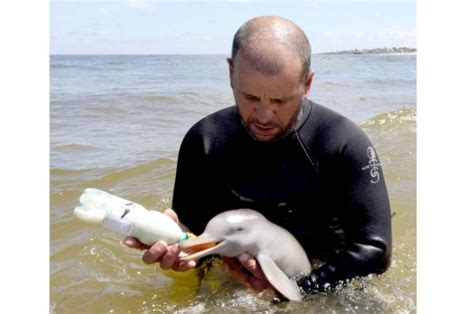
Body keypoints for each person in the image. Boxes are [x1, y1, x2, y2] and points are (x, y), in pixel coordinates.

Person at [124, 15, 392, 295]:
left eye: (280, 100)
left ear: (307, 83)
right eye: (250, 97)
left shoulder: (342, 143)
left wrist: (297, 291)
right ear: (230, 72)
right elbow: (195, 240)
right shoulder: (203, 141)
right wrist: (175, 245)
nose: (263, 116)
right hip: (238, 282)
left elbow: (375, 250)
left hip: (324, 284)